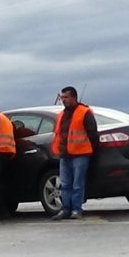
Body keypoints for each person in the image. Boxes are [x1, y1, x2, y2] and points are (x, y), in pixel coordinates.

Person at [51, 86, 99, 220]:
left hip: (81, 154)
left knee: (77, 184)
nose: (63, 100)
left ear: (73, 97)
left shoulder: (84, 112)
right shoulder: (61, 114)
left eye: (66, 97)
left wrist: (93, 152)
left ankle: (77, 209)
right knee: (65, 184)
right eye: (62, 97)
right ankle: (66, 209)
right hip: (65, 155)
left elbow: (93, 134)